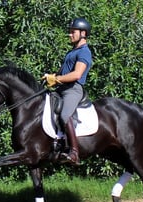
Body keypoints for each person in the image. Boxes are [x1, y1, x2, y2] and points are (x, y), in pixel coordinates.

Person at [42, 17, 92, 166]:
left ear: (83, 33)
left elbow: (76, 74)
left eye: (72, 32)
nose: (69, 35)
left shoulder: (84, 52)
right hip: (62, 88)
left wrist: (57, 79)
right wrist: (51, 77)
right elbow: (63, 73)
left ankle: (74, 152)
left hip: (73, 90)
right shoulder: (72, 52)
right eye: (70, 32)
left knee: (64, 115)